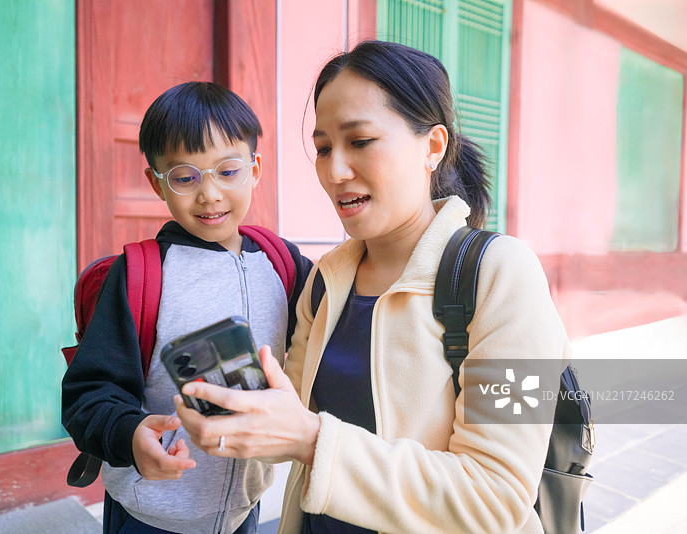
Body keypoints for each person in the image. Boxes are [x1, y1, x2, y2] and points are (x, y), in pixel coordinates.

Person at [175, 41, 569, 534]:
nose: (335, 171)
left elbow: (495, 498)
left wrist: (312, 440)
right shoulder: (325, 280)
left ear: (433, 146)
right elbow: (290, 425)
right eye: (323, 148)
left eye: (359, 141)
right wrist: (232, 421)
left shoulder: (504, 276)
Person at [62, 81, 313, 534]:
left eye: (228, 171)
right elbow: (89, 394)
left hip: (244, 509)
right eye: (185, 176)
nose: (210, 194)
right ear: (156, 183)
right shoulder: (139, 275)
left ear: (255, 168)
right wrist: (130, 436)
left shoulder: (283, 263)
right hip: (151, 513)